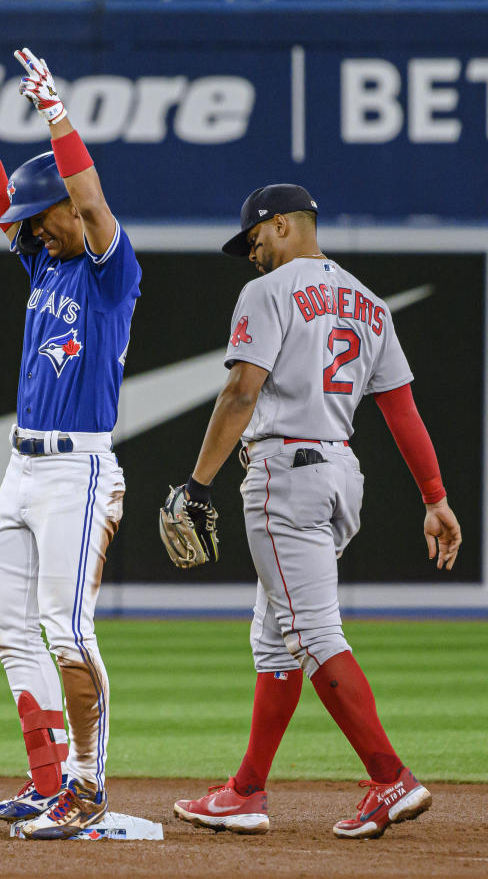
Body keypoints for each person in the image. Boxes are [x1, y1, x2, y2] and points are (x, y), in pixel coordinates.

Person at [169, 184, 461, 839]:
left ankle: (391, 779)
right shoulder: (371, 305)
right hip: (339, 476)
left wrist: (197, 483)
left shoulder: (268, 294)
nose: (251, 254)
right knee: (276, 638)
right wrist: (435, 497)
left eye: (254, 239)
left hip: (283, 476)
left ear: (281, 227)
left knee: (313, 635)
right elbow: (401, 410)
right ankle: (246, 791)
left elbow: (242, 390)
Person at [0, 30, 141, 840]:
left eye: (40, 214)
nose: (29, 227)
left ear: (68, 208)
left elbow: (90, 204)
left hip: (79, 471)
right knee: (8, 628)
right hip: (21, 468)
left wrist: (59, 117)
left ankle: (88, 788)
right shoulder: (46, 262)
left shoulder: (108, 269)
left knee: (68, 629)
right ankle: (49, 780)